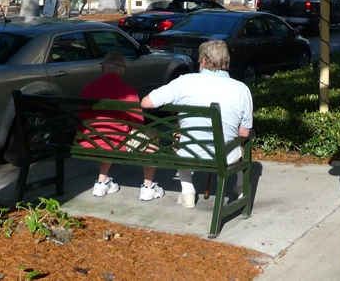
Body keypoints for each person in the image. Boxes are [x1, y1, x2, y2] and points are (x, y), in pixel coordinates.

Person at [141, 40, 253, 209]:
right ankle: (239, 185)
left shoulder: (184, 82)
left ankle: (187, 191)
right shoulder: (242, 89)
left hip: (189, 154)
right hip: (225, 157)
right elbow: (244, 133)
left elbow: (146, 103)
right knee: (243, 140)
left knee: (179, 135)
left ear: (204, 61)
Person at [78, 51, 165, 201]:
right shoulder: (129, 92)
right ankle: (148, 186)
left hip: (88, 140)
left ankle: (102, 182)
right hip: (115, 143)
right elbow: (138, 125)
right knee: (153, 136)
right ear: (122, 70)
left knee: (107, 134)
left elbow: (81, 115)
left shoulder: (87, 87)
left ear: (103, 67)